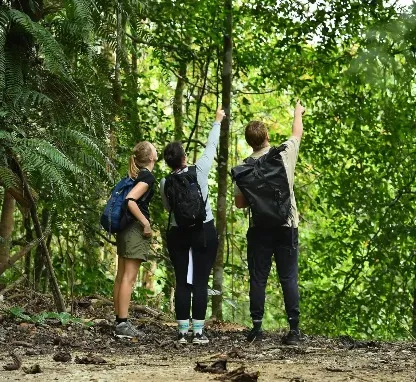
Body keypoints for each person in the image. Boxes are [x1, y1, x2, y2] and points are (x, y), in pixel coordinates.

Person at [234, 100, 305, 345]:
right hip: (287, 225)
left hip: (260, 229)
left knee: (258, 277)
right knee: (288, 277)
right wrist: (297, 112)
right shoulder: (284, 154)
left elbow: (240, 204)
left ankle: (256, 329)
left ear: (249, 142)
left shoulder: (243, 168)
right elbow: (297, 132)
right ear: (267, 135)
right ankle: (294, 331)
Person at [160, 108, 226, 344]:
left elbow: (168, 209)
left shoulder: (165, 181)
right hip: (203, 232)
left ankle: (181, 332)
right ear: (185, 157)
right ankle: (198, 333)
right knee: (200, 281)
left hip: (179, 234)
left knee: (181, 281)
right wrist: (217, 121)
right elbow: (211, 145)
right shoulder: (200, 170)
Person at [113, 141, 158, 338]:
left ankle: (119, 320)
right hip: (134, 229)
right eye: (153, 148)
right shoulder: (147, 176)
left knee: (121, 276)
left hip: (125, 228)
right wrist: (145, 223)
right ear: (150, 157)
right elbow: (130, 200)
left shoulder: (135, 174)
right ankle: (123, 324)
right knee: (128, 278)